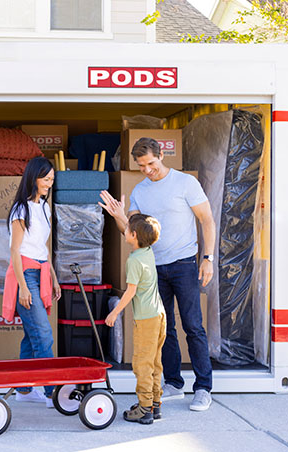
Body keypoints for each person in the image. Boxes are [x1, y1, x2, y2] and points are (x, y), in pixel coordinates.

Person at [99, 137, 216, 412]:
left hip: (184, 263)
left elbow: (207, 220)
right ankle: (174, 383)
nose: (147, 169)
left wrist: (208, 258)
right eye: (141, 166)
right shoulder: (140, 191)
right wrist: (118, 215)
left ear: (162, 155)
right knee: (165, 329)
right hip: (154, 268)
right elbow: (131, 231)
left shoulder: (185, 183)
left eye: (151, 163)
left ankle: (203, 388)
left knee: (193, 326)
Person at [3, 156, 62, 408]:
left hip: (42, 272)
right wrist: (24, 287)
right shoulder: (21, 209)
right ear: (33, 178)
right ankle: (51, 393)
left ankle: (25, 390)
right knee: (44, 334)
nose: (50, 182)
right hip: (25, 275)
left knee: (31, 336)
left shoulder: (44, 208)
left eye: (51, 178)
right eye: (46, 178)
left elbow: (43, 247)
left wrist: (54, 278)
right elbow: (15, 251)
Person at [105, 213, 166, 424]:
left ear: (133, 235)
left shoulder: (133, 261)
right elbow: (135, 229)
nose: (124, 232)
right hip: (159, 315)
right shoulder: (148, 252)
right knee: (155, 362)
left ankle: (145, 408)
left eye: (127, 229)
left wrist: (114, 313)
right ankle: (154, 403)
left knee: (141, 364)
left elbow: (130, 292)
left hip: (146, 319)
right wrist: (120, 213)